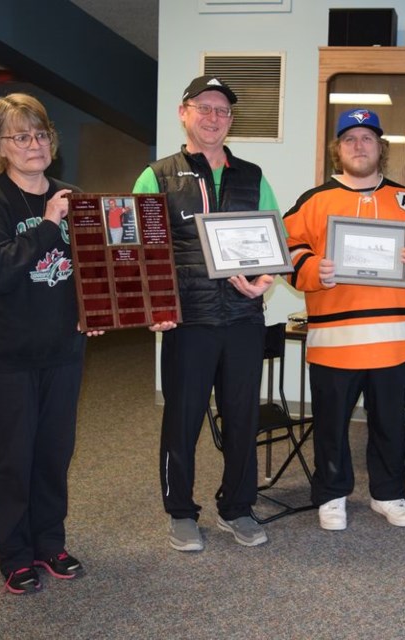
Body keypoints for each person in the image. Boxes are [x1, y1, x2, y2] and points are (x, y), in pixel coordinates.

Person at [0, 93, 101, 594]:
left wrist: (96, 310)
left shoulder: (72, 195)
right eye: (20, 136)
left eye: (40, 134)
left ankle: (49, 543)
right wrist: (47, 224)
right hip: (3, 355)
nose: (34, 144)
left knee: (54, 453)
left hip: (62, 350)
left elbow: (92, 271)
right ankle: (15, 554)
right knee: (13, 457)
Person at [132, 76, 279, 550]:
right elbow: (136, 250)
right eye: (204, 108)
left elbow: (274, 244)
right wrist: (153, 304)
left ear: (230, 121)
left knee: (241, 417)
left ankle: (237, 507)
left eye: (222, 111)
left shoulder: (252, 176)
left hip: (241, 321)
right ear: (184, 112)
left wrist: (265, 281)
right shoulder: (157, 176)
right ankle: (180, 511)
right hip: (188, 321)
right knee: (183, 418)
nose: (213, 118)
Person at [283, 108, 405, 530]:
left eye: (367, 138)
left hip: (394, 341)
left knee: (390, 424)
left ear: (380, 147)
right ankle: (332, 493)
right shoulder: (314, 200)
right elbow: (287, 251)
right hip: (335, 342)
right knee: (331, 425)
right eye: (349, 138)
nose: (358, 145)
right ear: (338, 149)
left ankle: (388, 492)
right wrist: (315, 269)